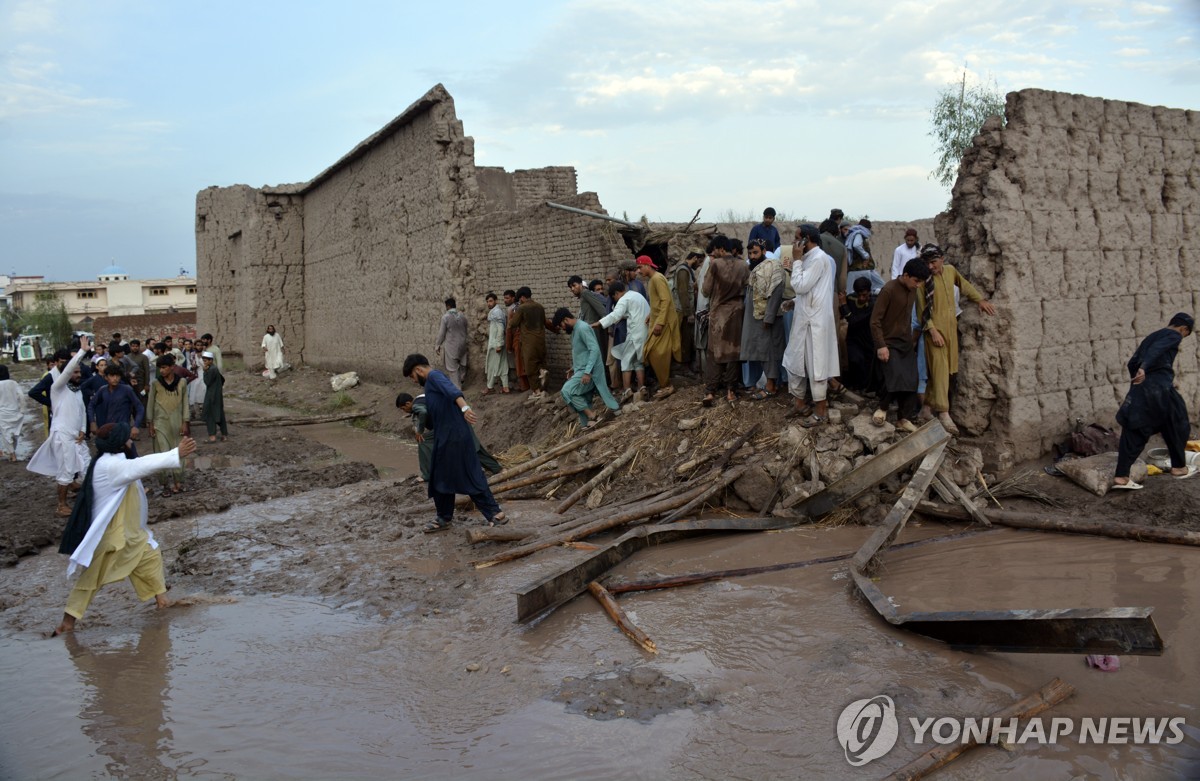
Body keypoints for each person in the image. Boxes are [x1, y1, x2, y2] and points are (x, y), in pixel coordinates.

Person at [49, 422, 196, 637]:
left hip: (130, 532)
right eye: (128, 435)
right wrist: (176, 454)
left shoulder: (112, 460)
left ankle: (162, 601)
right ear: (119, 442)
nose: (133, 436)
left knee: (150, 557)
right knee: (91, 578)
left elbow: (135, 465)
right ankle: (67, 622)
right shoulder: (111, 466)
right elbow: (141, 466)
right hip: (111, 535)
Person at [401, 354, 505, 532]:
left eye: (412, 376)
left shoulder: (434, 376)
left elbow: (452, 390)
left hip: (454, 436)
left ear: (418, 370)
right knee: (439, 477)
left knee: (469, 474)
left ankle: (494, 514)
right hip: (446, 436)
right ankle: (444, 517)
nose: (413, 380)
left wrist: (465, 407)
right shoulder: (431, 384)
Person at [914, 243, 996, 435]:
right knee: (940, 370)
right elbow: (921, 312)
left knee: (943, 372)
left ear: (942, 259)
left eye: (934, 262)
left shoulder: (950, 271)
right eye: (927, 263)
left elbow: (964, 285)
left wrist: (980, 300)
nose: (931, 267)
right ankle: (943, 413)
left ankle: (926, 409)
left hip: (950, 330)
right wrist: (933, 331)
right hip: (934, 333)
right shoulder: (923, 282)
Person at [1112, 313, 1196, 489]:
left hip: (1142, 389)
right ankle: (1179, 467)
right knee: (1179, 422)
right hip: (1160, 388)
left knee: (1136, 429)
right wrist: (1144, 369)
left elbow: (1132, 362)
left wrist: (1139, 376)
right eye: (1185, 335)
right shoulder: (1173, 335)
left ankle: (1121, 477)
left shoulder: (1153, 335)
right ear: (1184, 329)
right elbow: (1156, 350)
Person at [27, 337, 92, 515]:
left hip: (76, 437)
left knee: (86, 467)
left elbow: (82, 412)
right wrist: (81, 352)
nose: (78, 375)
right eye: (75, 372)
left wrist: (83, 431)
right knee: (66, 471)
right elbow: (67, 370)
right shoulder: (58, 387)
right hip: (62, 436)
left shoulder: (77, 390)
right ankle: (61, 505)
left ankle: (83, 495)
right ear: (66, 374)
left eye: (80, 372)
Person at [782, 225, 839, 427]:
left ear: (806, 240)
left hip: (815, 323)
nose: (794, 242)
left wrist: (796, 261)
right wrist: (794, 303)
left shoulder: (818, 259)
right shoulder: (809, 259)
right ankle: (799, 404)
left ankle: (820, 412)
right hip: (804, 319)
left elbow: (800, 286)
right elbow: (809, 292)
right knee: (794, 360)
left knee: (817, 366)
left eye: (797, 238)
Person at [870, 258, 932, 432]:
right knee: (895, 376)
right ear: (906, 275)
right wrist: (881, 345)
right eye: (916, 281)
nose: (918, 285)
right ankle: (882, 408)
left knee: (912, 379)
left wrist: (911, 340)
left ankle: (903, 418)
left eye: (921, 282)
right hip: (888, 342)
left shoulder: (912, 290)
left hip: (904, 342)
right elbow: (875, 321)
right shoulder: (888, 290)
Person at [396, 391, 502, 482]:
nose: (403, 411)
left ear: (408, 403)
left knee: (423, 440)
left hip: (449, 425)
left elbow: (423, 411)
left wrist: (420, 431)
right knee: (473, 447)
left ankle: (427, 475)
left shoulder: (416, 406)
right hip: (458, 419)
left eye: (403, 408)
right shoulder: (422, 397)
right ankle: (497, 468)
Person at [700, 235, 748, 406]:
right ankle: (731, 391)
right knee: (734, 352)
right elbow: (747, 286)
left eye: (715, 251)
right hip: (737, 313)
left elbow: (705, 290)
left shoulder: (715, 265)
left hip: (719, 313)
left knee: (714, 352)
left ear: (720, 249)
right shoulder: (743, 265)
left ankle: (710, 392)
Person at [554, 308, 620, 428]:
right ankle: (590, 422)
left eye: (561, 325)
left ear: (566, 320)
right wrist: (573, 368)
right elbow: (582, 352)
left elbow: (594, 350)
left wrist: (587, 372)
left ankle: (592, 416)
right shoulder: (575, 330)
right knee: (583, 395)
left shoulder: (582, 328)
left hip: (590, 371)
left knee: (567, 390)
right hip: (582, 370)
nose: (562, 328)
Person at [740, 238, 787, 398]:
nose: (752, 256)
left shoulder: (773, 267)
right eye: (750, 253)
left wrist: (768, 317)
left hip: (767, 320)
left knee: (770, 352)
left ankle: (771, 386)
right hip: (756, 319)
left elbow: (776, 293)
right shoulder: (755, 269)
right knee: (762, 351)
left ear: (764, 251)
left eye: (755, 252)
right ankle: (771, 383)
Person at [596, 280, 650, 401]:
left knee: (626, 361)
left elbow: (615, 315)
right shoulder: (637, 295)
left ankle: (627, 390)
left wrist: (599, 323)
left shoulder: (623, 300)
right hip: (645, 332)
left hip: (635, 333)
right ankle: (642, 388)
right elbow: (630, 313)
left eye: (614, 298)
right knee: (638, 361)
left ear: (616, 294)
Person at [636, 255, 682, 398]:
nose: (638, 271)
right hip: (656, 320)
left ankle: (666, 385)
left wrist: (660, 322)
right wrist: (651, 314)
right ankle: (664, 383)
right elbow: (657, 302)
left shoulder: (657, 278)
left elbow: (666, 300)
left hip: (664, 322)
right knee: (651, 352)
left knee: (658, 353)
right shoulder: (652, 280)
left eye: (640, 267)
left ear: (647, 265)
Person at [146, 355, 188, 495]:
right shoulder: (156, 383)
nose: (162, 371)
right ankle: (165, 485)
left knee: (179, 451)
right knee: (162, 453)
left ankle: (178, 482)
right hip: (160, 423)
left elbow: (185, 404)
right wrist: (150, 423)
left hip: (177, 422)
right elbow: (150, 404)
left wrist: (185, 422)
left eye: (164, 367)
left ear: (172, 367)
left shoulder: (182, 382)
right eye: (160, 368)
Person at [88, 364, 146, 457]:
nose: (115, 378)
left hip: (123, 430)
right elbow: (91, 405)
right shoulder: (102, 390)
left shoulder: (127, 389)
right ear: (106, 377)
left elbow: (140, 407)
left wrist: (136, 426)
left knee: (131, 457)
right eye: (112, 376)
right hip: (107, 431)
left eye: (117, 375)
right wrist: (92, 422)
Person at [840, 276, 881, 393]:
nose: (862, 298)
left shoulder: (873, 304)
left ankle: (866, 389)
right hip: (853, 339)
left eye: (864, 295)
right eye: (859, 295)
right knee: (855, 360)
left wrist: (844, 305)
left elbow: (853, 321)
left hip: (868, 339)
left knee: (868, 365)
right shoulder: (851, 299)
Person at [508, 287, 549, 398]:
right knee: (541, 363)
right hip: (541, 341)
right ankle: (543, 386)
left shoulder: (522, 308)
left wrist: (510, 316)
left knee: (530, 367)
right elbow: (545, 322)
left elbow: (513, 324)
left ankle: (536, 392)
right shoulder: (540, 307)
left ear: (522, 297)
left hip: (528, 342)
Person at [670, 250, 702, 368]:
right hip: (682, 311)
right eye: (699, 261)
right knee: (685, 338)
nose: (699, 264)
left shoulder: (688, 271)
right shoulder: (683, 271)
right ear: (694, 258)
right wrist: (689, 313)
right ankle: (683, 365)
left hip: (685, 310)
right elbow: (682, 292)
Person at [435, 298, 469, 387]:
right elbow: (465, 330)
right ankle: (462, 379)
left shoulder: (445, 317)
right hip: (462, 344)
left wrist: (438, 344)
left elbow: (441, 333)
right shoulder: (462, 316)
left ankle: (457, 387)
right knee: (462, 363)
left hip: (451, 345)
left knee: (453, 368)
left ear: (448, 306)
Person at [483, 293, 510, 395]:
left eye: (490, 301)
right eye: (487, 302)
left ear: (495, 301)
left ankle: (490, 387)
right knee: (503, 365)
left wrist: (498, 344)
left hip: (496, 345)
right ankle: (506, 387)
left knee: (491, 366)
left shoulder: (496, 313)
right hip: (498, 343)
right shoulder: (497, 312)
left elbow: (500, 329)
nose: (488, 303)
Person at [502, 290, 527, 391]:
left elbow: (509, 329)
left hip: (517, 339)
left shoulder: (512, 310)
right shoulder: (522, 307)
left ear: (514, 298)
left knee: (519, 364)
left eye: (507, 298)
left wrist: (508, 345)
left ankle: (523, 386)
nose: (505, 300)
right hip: (526, 339)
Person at [201, 350, 227, 442]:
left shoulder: (211, 370)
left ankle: (212, 436)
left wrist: (205, 372)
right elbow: (222, 380)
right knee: (219, 414)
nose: (205, 362)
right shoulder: (215, 369)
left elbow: (207, 382)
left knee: (210, 415)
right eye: (204, 360)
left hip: (211, 395)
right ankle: (224, 435)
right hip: (217, 394)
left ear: (211, 360)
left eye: (206, 360)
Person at [0, 365, 24, 461]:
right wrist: (22, 410)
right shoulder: (14, 383)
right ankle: (12, 452)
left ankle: (12, 454)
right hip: (15, 412)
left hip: (2, 413)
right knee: (15, 434)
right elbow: (21, 396)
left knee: (6, 434)